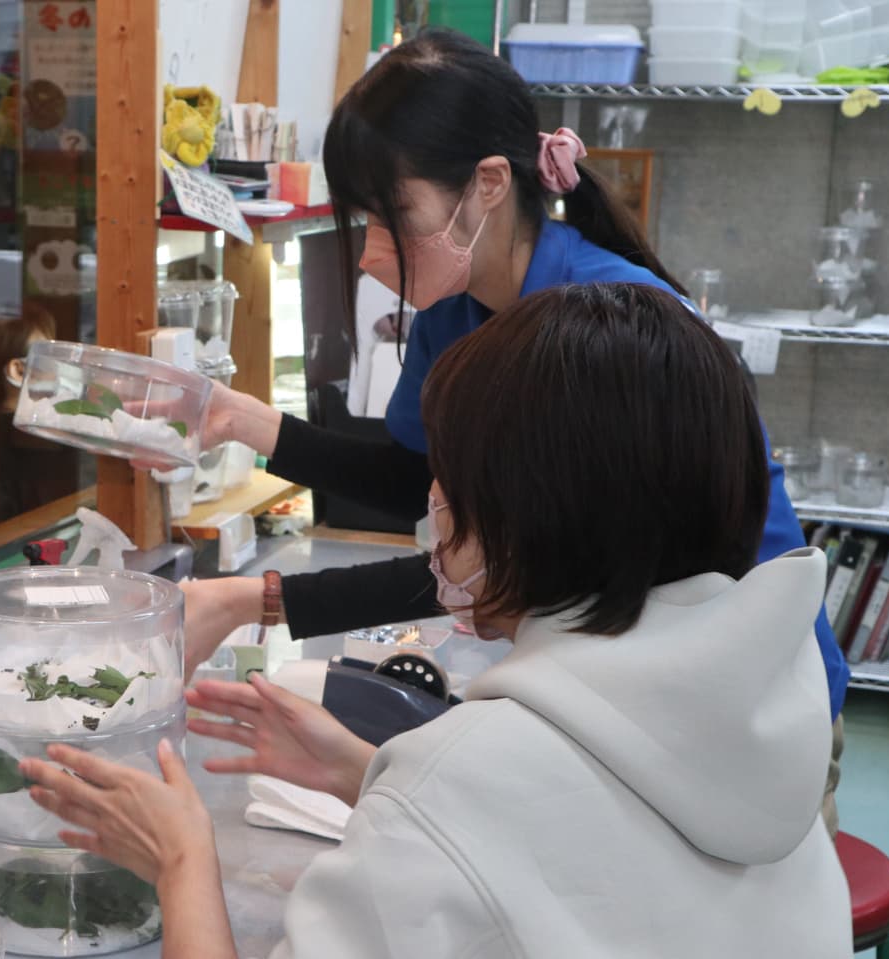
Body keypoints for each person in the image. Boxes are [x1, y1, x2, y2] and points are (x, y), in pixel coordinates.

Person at [21, 283, 852, 959]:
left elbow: (498, 821)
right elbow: (587, 862)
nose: (433, 513)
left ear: (532, 520)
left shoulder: (460, 782)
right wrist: (370, 773)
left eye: (450, 487)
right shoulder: (768, 713)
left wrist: (180, 859)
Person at [177, 31, 848, 809]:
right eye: (362, 221)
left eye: (393, 217)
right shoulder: (455, 313)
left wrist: (256, 599)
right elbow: (425, 485)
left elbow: (505, 562)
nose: (371, 255)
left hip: (744, 705)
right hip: (629, 682)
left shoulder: (603, 334)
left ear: (489, 184)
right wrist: (245, 421)